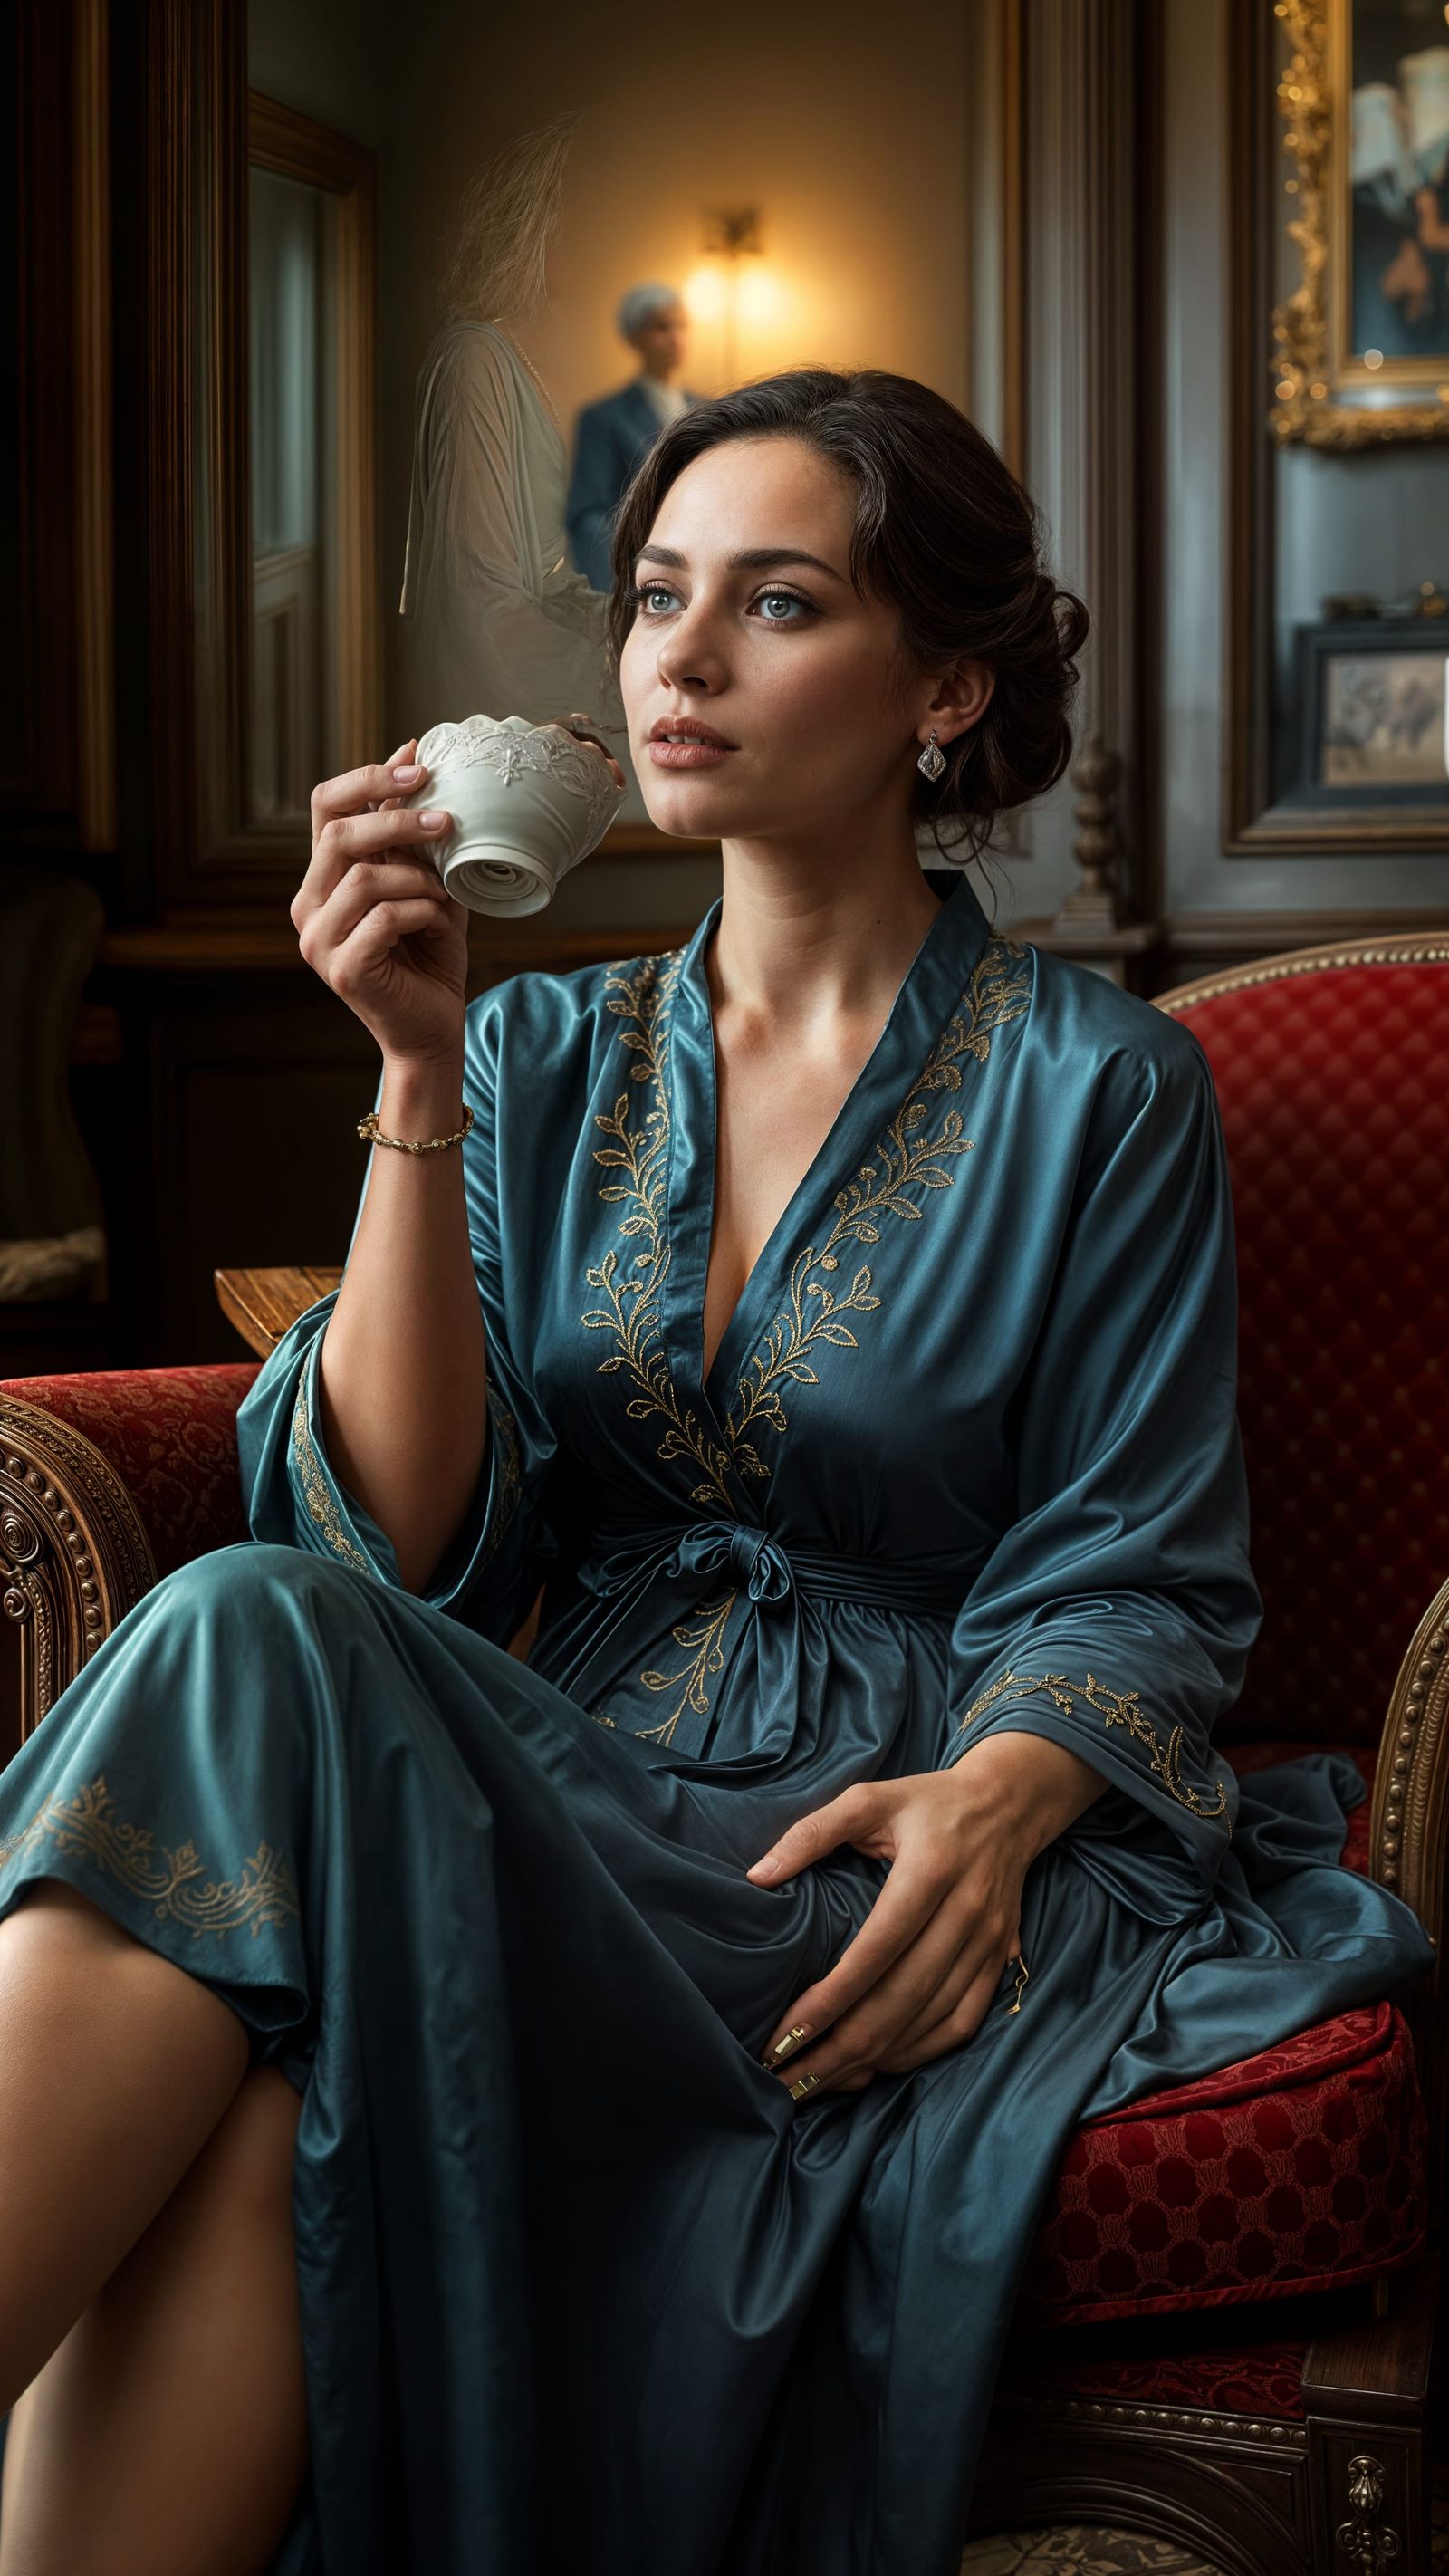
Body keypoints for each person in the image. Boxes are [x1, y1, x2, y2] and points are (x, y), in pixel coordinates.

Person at [0, 370, 1432, 2576]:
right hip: (556, 1777)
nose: (677, 657)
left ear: (940, 683)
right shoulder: (535, 1048)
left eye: (772, 603)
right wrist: (411, 1075)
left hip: (873, 1841)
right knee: (265, 1868)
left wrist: (1003, 1794)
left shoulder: (1101, 1086)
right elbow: (394, 1537)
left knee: (251, 1669)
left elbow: (1143, 1570)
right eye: (656, 597)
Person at [398, 120, 620, 737]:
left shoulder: (529, 357)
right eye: (582, 223)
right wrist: (630, 679)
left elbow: (552, 580)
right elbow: (476, 603)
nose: (601, 242)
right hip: (497, 714)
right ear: (532, 231)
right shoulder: (474, 359)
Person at [566, 284, 695, 590]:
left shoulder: (710, 409)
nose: (675, 338)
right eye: (662, 327)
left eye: (682, 326)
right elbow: (588, 517)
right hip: (637, 573)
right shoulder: (604, 418)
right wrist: (619, 589)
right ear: (634, 338)